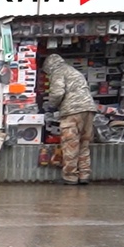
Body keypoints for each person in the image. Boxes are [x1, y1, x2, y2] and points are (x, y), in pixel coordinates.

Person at [42, 53, 97, 186]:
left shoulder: (57, 71)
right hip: (88, 109)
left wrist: (51, 105)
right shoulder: (74, 71)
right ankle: (84, 174)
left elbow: (58, 92)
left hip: (72, 111)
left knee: (70, 143)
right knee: (84, 143)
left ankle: (70, 176)